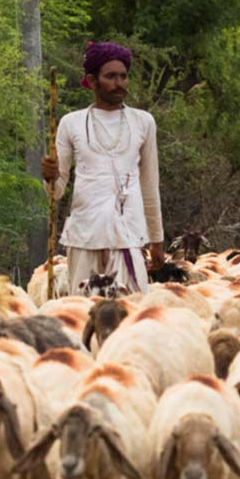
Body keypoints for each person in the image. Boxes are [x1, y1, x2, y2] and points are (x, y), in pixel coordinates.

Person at [41, 42, 165, 294]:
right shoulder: (70, 123)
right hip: (85, 235)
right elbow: (56, 192)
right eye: (111, 77)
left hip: (128, 235)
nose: (119, 83)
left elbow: (150, 184)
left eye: (123, 76)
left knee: (133, 309)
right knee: (81, 310)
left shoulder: (143, 122)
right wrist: (49, 177)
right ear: (92, 81)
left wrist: (156, 240)